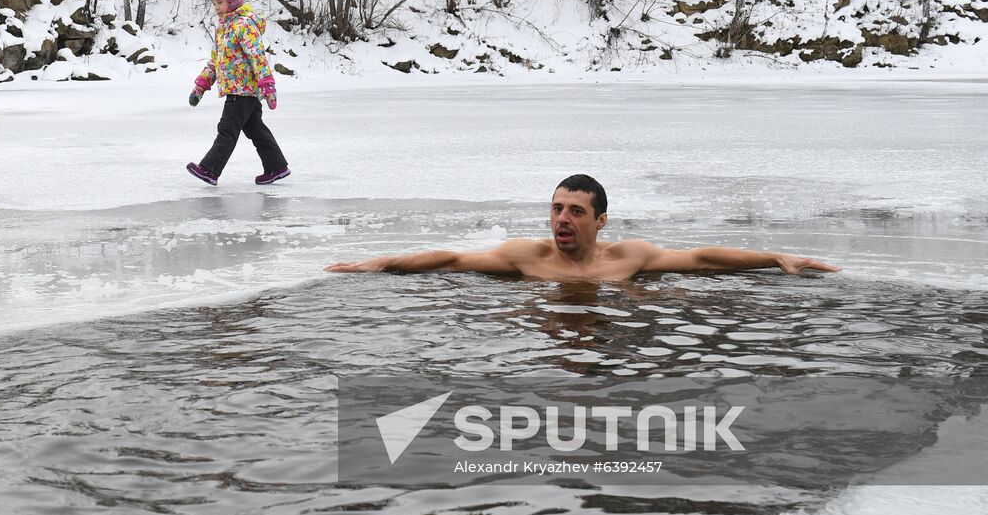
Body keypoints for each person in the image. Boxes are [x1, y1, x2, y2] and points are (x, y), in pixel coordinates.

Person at [325, 174, 839, 281]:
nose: (561, 220)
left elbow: (701, 258)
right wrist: (382, 262)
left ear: (601, 220)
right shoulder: (527, 257)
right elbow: (452, 259)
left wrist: (774, 258)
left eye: (574, 211)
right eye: (556, 209)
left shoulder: (627, 259)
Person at [186, 0, 290, 186]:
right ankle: (276, 166)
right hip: (239, 89)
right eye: (214, 3)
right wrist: (201, 85)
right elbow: (216, 61)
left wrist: (268, 86)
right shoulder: (223, 28)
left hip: (243, 89)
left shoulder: (244, 25)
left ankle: (210, 169)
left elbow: (258, 57)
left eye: (220, 2)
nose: (216, 8)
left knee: (227, 130)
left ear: (232, 0)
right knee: (256, 130)